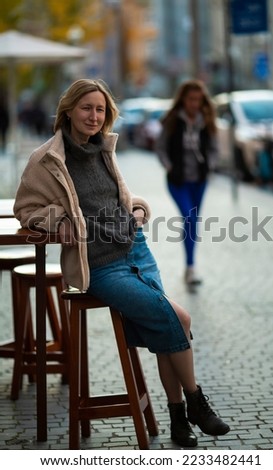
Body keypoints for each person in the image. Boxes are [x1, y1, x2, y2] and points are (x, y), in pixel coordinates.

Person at [13, 78, 230, 448]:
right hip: (99, 267)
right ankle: (195, 401)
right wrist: (59, 221)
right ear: (68, 110)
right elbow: (25, 209)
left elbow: (120, 198)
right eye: (86, 108)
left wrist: (139, 208)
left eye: (100, 109)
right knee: (179, 318)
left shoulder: (104, 149)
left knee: (167, 327)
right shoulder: (46, 159)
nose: (94, 116)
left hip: (136, 251)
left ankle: (179, 420)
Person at [155, 80, 218, 286]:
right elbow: (161, 147)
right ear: (183, 99)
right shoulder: (173, 120)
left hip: (199, 180)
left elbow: (213, 149)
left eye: (198, 100)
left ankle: (190, 268)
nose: (195, 104)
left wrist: (211, 165)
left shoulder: (206, 120)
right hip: (178, 181)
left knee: (193, 221)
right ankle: (190, 267)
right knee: (189, 217)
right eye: (191, 99)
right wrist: (169, 166)